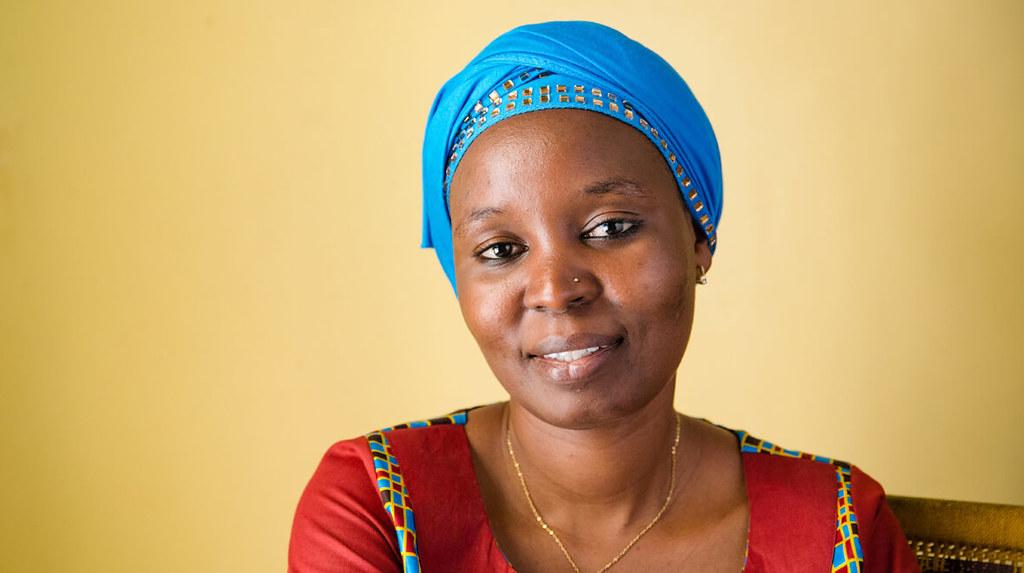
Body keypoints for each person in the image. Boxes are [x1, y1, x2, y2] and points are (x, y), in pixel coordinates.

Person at [289, 21, 920, 573]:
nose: (555, 291)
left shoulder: (839, 530)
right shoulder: (377, 508)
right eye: (501, 249)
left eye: (611, 228)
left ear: (698, 238)